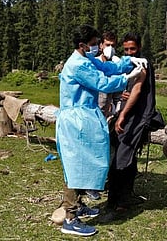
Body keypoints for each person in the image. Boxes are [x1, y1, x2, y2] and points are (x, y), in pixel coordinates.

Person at [55, 25, 145, 237]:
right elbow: (102, 82)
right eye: (95, 44)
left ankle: (79, 204)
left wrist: (128, 62)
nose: (98, 48)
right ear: (82, 45)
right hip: (75, 120)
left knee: (84, 163)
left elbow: (106, 68)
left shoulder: (86, 60)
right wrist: (129, 77)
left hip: (84, 117)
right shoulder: (77, 65)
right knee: (74, 166)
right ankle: (70, 217)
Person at [106, 32, 159, 216]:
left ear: (139, 48)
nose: (129, 53)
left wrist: (122, 115)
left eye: (133, 49)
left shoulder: (142, 63)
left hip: (138, 115)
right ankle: (116, 197)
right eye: (126, 49)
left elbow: (137, 90)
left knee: (123, 157)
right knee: (120, 153)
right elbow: (127, 88)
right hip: (128, 112)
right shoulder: (128, 64)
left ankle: (120, 200)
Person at [85, 31, 122, 202]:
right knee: (90, 149)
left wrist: (115, 109)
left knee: (104, 150)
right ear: (101, 45)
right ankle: (88, 186)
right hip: (92, 112)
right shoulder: (92, 64)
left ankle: (101, 182)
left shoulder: (114, 65)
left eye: (113, 45)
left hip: (107, 115)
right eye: (107, 45)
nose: (110, 48)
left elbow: (116, 93)